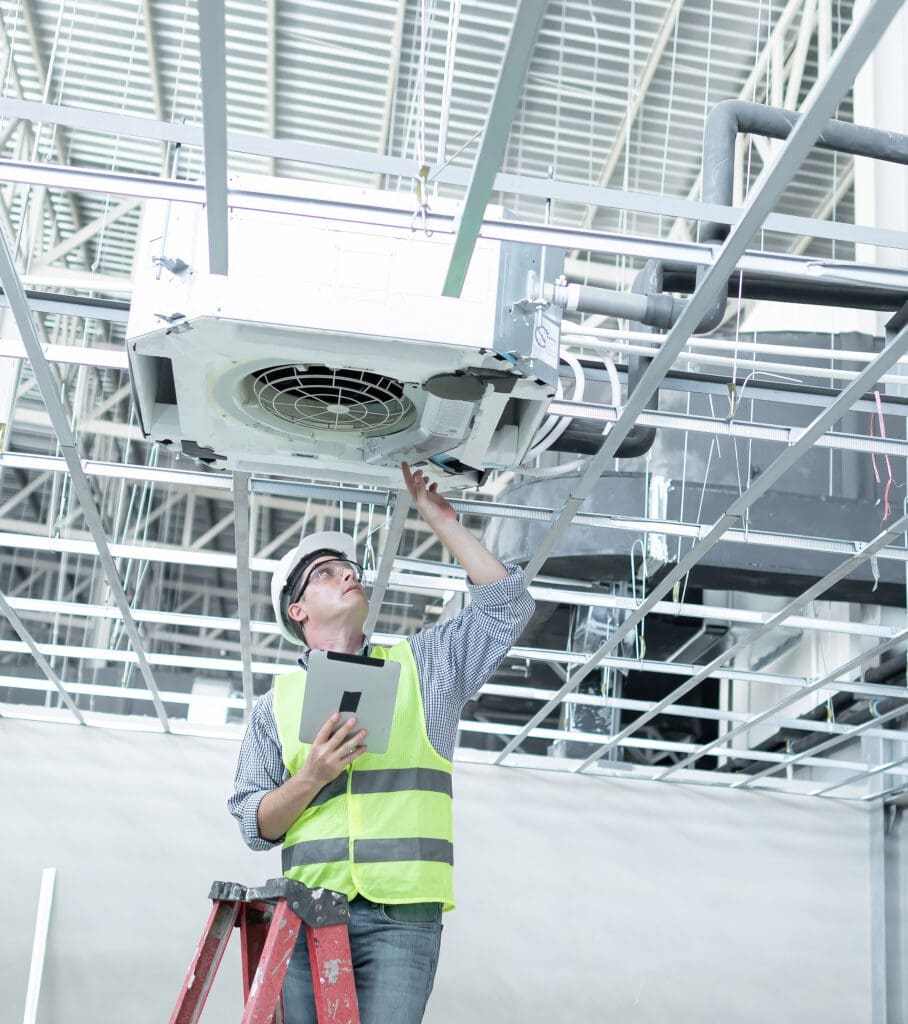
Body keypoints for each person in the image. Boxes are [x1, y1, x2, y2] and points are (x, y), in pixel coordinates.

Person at [228, 462, 534, 1024]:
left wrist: (443, 523)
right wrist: (311, 777)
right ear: (298, 611)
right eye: (325, 572)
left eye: (348, 567)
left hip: (404, 920)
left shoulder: (426, 670)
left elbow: (507, 607)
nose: (347, 574)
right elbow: (255, 824)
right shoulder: (273, 706)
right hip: (307, 912)